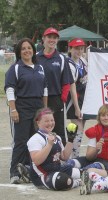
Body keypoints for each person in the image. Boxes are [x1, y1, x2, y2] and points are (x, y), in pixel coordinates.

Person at [4, 38, 48, 184]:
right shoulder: (15, 68)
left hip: (37, 108)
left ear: (33, 50)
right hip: (22, 107)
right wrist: (13, 110)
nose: (27, 51)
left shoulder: (40, 68)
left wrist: (44, 110)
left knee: (35, 141)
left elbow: (45, 90)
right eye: (23, 49)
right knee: (21, 142)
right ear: (19, 52)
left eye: (29, 48)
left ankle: (30, 171)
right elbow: (10, 89)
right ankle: (15, 173)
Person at [36, 27, 79, 146]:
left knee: (58, 129)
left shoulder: (61, 58)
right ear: (43, 39)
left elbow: (67, 82)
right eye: (49, 37)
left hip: (55, 99)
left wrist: (63, 98)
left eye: (55, 38)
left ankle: (61, 159)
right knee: (39, 128)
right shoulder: (36, 57)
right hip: (38, 98)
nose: (52, 40)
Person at [26, 108, 82, 190]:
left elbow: (64, 157)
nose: (50, 123)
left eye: (52, 120)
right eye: (46, 121)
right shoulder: (35, 139)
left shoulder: (57, 137)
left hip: (57, 169)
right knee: (63, 181)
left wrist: (70, 140)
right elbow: (37, 161)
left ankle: (83, 179)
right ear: (38, 123)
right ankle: (78, 182)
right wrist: (49, 145)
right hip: (42, 175)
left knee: (84, 173)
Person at [66, 104, 108, 172]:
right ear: (99, 117)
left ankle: (79, 174)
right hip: (94, 160)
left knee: (89, 169)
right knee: (70, 163)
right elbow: (89, 157)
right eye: (103, 115)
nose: (106, 118)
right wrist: (96, 149)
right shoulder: (95, 130)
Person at [66, 38, 88, 158]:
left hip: (83, 98)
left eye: (81, 48)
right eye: (76, 48)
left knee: (80, 129)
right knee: (77, 128)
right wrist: (76, 107)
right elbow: (72, 88)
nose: (79, 51)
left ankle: (74, 156)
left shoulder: (82, 61)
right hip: (73, 100)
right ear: (70, 49)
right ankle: (73, 157)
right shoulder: (69, 64)